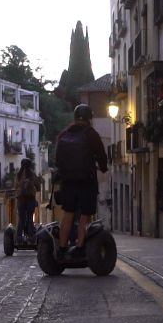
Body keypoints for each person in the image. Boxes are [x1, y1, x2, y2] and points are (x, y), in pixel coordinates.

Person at [54, 103, 108, 259]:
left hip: (68, 181)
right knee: (85, 214)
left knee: (68, 213)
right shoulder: (91, 134)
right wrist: (103, 167)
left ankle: (63, 247)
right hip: (87, 180)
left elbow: (57, 159)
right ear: (89, 118)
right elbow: (101, 155)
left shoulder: (64, 134)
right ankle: (79, 246)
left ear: (75, 117)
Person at [16, 158, 41, 240]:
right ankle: (31, 236)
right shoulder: (32, 174)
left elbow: (15, 186)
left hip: (21, 199)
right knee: (30, 218)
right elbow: (38, 187)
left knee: (21, 219)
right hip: (30, 199)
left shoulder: (18, 175)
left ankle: (19, 237)